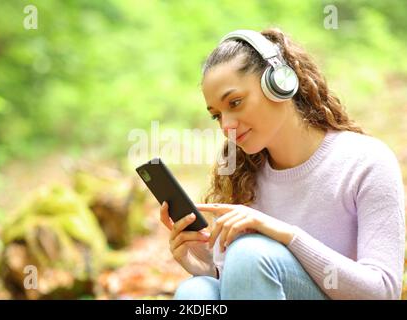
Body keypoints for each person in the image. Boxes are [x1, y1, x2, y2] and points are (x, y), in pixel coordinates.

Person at [159, 28, 405, 300]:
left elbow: (382, 291)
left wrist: (287, 235)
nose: (226, 125)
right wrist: (207, 268)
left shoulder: (366, 161)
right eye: (216, 115)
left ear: (279, 83)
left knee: (250, 254)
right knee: (196, 290)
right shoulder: (243, 177)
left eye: (235, 102)